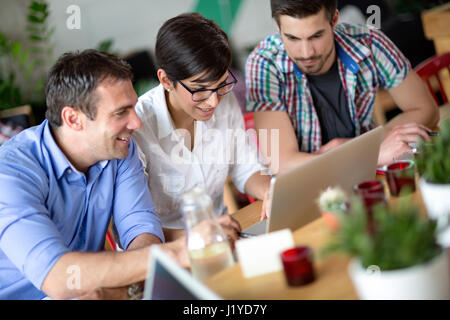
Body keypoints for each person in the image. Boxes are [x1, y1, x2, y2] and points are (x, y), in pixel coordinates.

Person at [0, 50, 240, 300]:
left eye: (134, 108)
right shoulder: (10, 174)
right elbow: (59, 277)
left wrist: (123, 289)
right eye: (121, 113)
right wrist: (176, 253)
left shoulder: (119, 149)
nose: (136, 123)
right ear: (73, 119)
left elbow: (141, 231)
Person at [246, 0, 439, 174]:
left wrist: (351, 148)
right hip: (306, 187)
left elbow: (426, 110)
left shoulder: (369, 42)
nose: (306, 53)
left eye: (316, 36)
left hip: (369, 176)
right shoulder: (264, 63)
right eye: (293, 38)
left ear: (334, 20)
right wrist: (369, 153)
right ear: (278, 27)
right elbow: (282, 164)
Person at [133, 13, 271, 240]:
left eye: (220, 85)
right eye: (199, 90)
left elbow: (246, 168)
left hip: (224, 236)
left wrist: (269, 191)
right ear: (166, 80)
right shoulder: (138, 127)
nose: (213, 101)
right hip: (166, 253)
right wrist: (198, 237)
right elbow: (134, 229)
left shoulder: (225, 102)